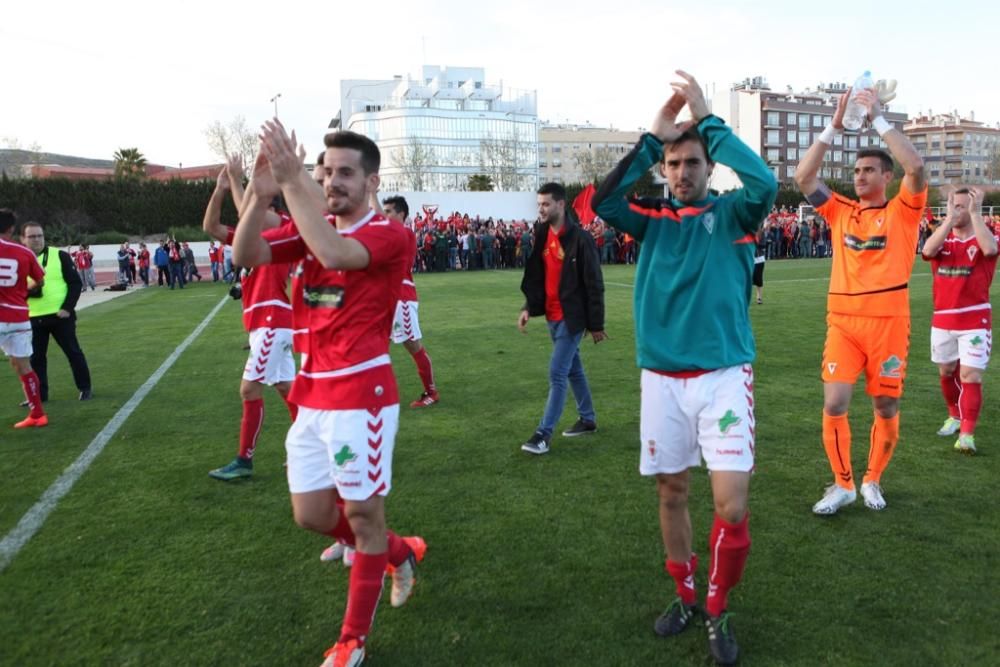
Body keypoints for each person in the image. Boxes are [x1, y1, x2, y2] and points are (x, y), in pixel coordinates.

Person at [592, 71, 776, 666]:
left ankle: (718, 608)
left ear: (708, 167)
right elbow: (601, 200)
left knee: (732, 506)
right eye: (672, 164)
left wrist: (708, 118)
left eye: (691, 162)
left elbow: (766, 180)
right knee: (672, 492)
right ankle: (686, 595)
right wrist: (654, 135)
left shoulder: (735, 214)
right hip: (662, 380)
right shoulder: (649, 221)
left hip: (723, 376)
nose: (681, 172)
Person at [233, 124, 425, 666]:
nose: (331, 181)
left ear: (371, 180)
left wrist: (294, 184)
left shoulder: (389, 233)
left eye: (344, 172)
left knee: (363, 516)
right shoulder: (312, 225)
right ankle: (399, 551)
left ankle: (351, 642)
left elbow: (335, 253)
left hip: (362, 396)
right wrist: (259, 193)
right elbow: (246, 254)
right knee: (312, 514)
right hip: (312, 397)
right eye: (325, 172)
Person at [793, 82, 927, 514]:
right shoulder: (840, 210)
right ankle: (843, 484)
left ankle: (872, 479)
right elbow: (803, 178)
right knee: (834, 402)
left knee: (885, 403)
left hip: (888, 324)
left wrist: (878, 120)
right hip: (844, 323)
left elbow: (917, 166)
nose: (860, 176)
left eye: (869, 170)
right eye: (857, 171)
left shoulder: (903, 211)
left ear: (887, 177)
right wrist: (834, 125)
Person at [203, 156, 298, 481]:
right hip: (267, 322)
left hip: (274, 319)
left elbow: (247, 211)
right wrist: (221, 188)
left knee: (249, 389)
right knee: (288, 388)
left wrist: (237, 180)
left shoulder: (284, 222)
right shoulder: (253, 235)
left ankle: (244, 460)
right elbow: (211, 228)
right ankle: (313, 447)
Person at [518, 182, 606, 455]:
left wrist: (596, 324)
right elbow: (537, 275)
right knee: (573, 370)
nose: (540, 209)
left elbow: (594, 284)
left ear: (560, 204)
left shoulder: (581, 239)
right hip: (551, 316)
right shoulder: (542, 232)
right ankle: (588, 419)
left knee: (557, 373)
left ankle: (543, 434)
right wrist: (527, 307)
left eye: (545, 204)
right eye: (539, 204)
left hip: (572, 318)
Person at [921, 187, 998, 454]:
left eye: (963, 206)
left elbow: (990, 249)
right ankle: (954, 415)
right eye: (954, 205)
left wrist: (976, 213)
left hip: (975, 319)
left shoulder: (983, 238)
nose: (957, 210)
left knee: (970, 375)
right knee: (945, 371)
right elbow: (928, 250)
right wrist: (947, 221)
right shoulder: (944, 240)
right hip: (942, 318)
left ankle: (967, 434)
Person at [20, 221, 93, 403]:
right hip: (32, 318)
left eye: (40, 236)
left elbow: (75, 284)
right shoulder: (19, 260)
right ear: (23, 239)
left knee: (73, 353)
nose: (37, 240)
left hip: (60, 317)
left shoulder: (59, 255)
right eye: (32, 236)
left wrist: (67, 308)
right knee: (36, 359)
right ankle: (39, 396)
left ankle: (85, 388)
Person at [380, 195, 439, 408]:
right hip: (386, 298)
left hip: (401, 299)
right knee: (375, 347)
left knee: (414, 346)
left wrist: (369, 194)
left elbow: (376, 223)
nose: (385, 215)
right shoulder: (390, 234)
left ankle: (431, 392)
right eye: (384, 211)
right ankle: (373, 393)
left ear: (401, 214)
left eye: (389, 212)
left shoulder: (405, 233)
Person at [0, 210, 48, 428]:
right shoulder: (24, 253)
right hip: (19, 316)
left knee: (20, 364)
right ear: (11, 229)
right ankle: (38, 414)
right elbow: (39, 281)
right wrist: (21, 294)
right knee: (22, 364)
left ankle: (36, 413)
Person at [753, 232, 766, 305]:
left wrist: (755, 241)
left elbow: (763, 245)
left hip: (759, 259)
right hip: (748, 258)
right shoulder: (746, 231)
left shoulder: (761, 233)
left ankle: (759, 297)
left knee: (758, 278)